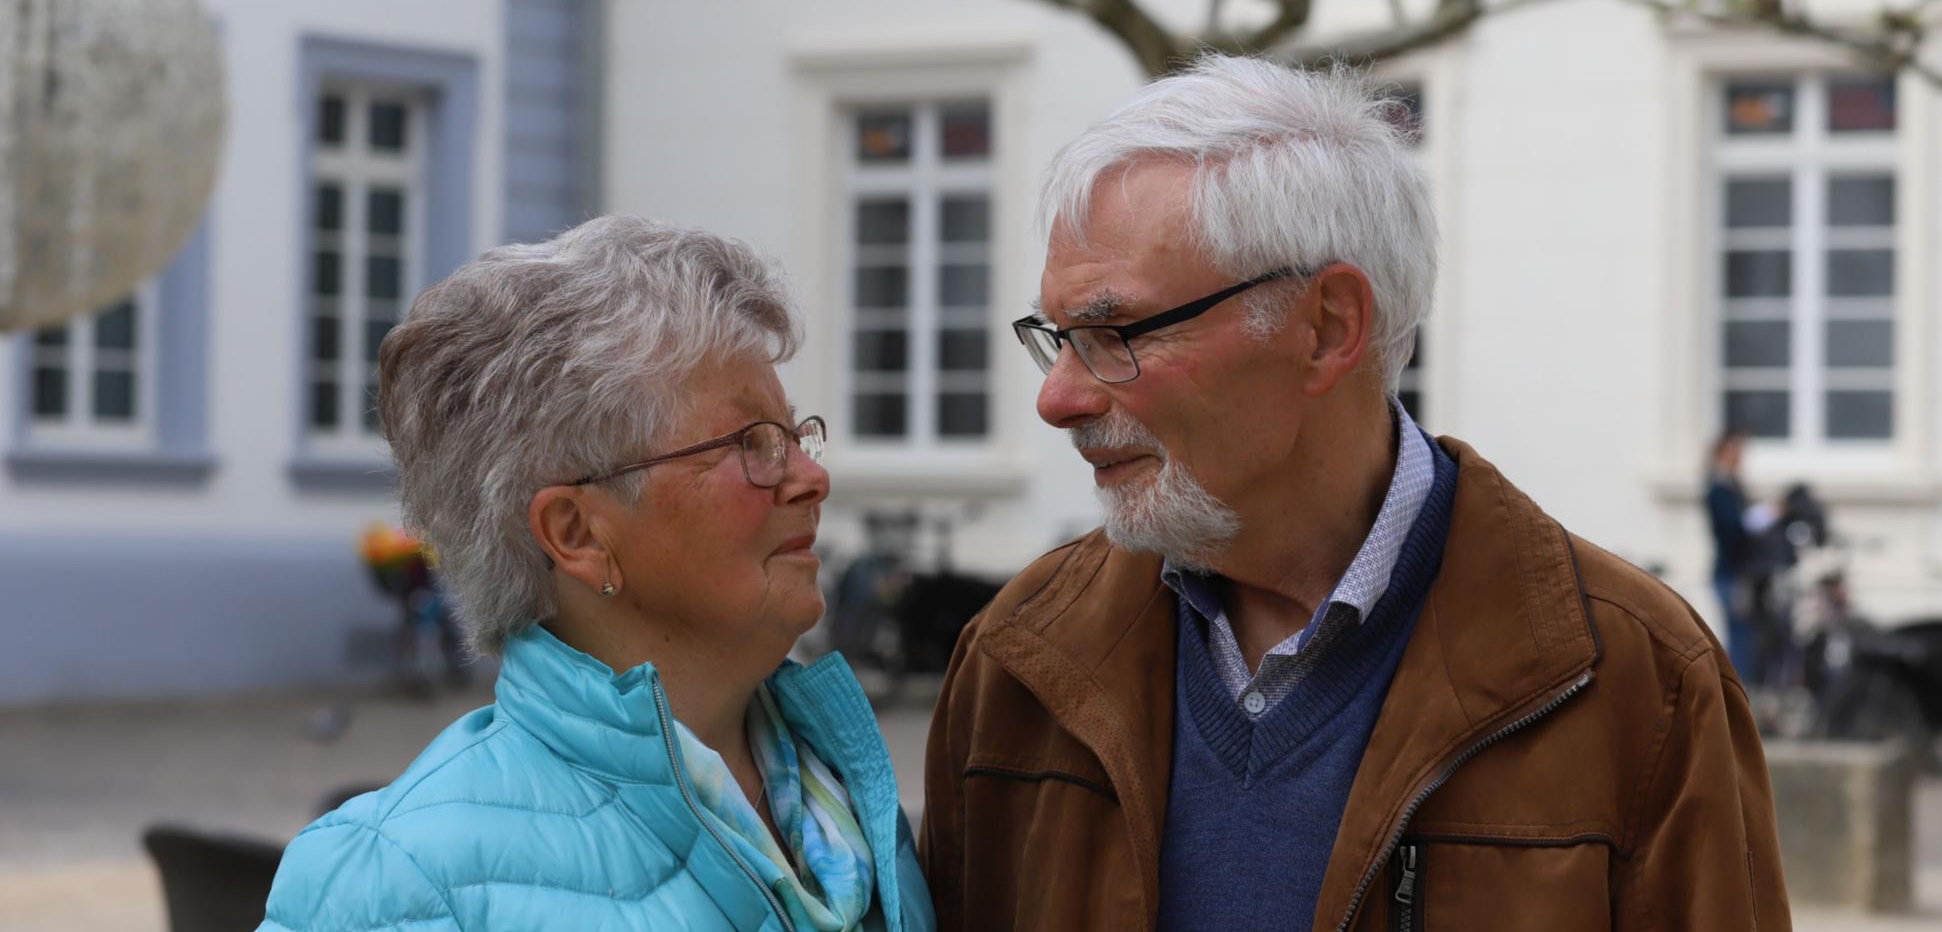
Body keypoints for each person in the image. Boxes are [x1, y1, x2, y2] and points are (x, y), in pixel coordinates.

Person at [922, 56, 1791, 931]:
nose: (1056, 398)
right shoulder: (1019, 661)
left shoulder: (1636, 681)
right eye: (1056, 338)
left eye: (1113, 334)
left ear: (1329, 325)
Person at [261, 217, 934, 932]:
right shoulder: (400, 886)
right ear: (577, 534)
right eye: (752, 443)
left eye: (795, 435)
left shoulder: (846, 802)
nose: (810, 478)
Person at [1706, 429, 1760, 684]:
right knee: (1739, 635)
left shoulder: (1733, 486)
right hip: (1731, 572)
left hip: (1739, 571)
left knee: (1744, 635)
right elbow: (1732, 529)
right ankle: (1736, 690)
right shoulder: (1719, 488)